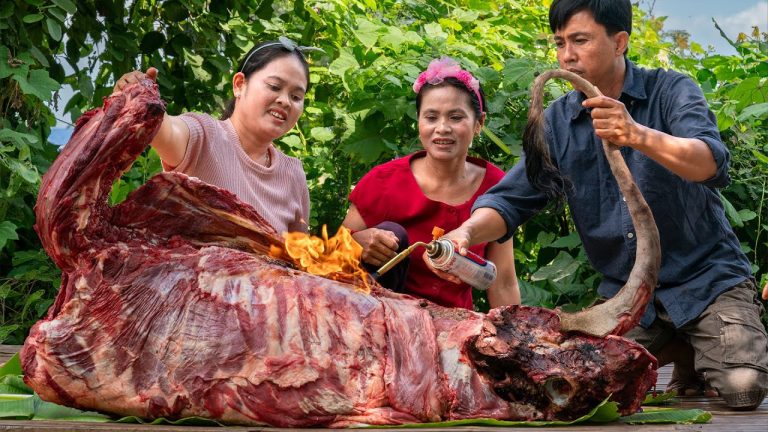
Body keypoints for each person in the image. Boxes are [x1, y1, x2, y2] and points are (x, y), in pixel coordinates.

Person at [438, 0, 767, 410]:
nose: (566, 56)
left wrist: (636, 133)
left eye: (580, 40)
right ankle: (681, 348)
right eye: (559, 43)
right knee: (574, 391)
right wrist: (466, 233)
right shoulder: (558, 122)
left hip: (707, 281)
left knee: (743, 388)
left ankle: (698, 342)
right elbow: (511, 199)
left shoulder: (671, 90)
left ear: (620, 42)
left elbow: (710, 163)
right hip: (627, 300)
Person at [341, 58, 520, 310]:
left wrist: (514, 331)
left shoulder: (495, 186)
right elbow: (331, 255)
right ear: (419, 122)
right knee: (393, 231)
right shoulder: (384, 182)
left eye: (456, 117)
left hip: (455, 322)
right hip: (383, 315)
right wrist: (357, 243)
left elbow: (503, 283)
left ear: (479, 123)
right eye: (431, 117)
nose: (442, 128)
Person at [113, 38, 312, 235]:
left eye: (296, 97)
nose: (285, 101)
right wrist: (139, 98)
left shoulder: (293, 174)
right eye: (274, 86)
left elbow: (299, 253)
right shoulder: (205, 136)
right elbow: (166, 130)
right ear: (239, 85)